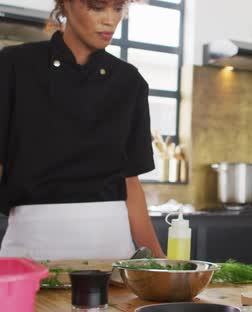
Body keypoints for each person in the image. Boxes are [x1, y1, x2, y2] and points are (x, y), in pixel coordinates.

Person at [0, 0, 165, 260]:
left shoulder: (129, 82)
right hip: (31, 247)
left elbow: (130, 182)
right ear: (65, 5)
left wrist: (159, 265)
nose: (110, 20)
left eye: (118, 8)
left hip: (113, 249)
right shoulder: (13, 66)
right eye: (97, 7)